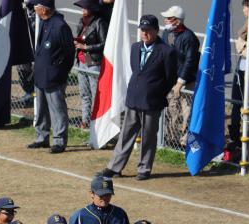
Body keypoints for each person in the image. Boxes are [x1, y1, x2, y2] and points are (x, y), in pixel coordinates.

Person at [101, 15, 177, 181]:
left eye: (148, 30)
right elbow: (135, 70)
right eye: (142, 30)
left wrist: (155, 92)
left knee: (148, 137)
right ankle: (115, 167)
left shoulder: (166, 52)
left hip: (152, 101)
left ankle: (144, 168)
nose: (144, 33)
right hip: (133, 98)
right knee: (126, 134)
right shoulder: (135, 48)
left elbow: (170, 78)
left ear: (156, 30)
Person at [27, 0, 75, 153]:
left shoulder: (60, 26)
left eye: (36, 6)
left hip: (54, 77)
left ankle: (59, 140)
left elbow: (69, 54)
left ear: (44, 9)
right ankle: (42, 137)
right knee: (41, 109)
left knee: (57, 110)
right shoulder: (44, 22)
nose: (34, 9)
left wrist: (60, 72)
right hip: (41, 75)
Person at [160, 5, 200, 148]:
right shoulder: (166, 33)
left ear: (177, 21)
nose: (165, 20)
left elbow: (190, 61)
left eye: (169, 18)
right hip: (170, 80)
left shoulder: (189, 37)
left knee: (187, 110)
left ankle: (186, 141)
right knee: (171, 109)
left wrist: (180, 81)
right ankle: (171, 138)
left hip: (186, 81)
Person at [228, 0, 249, 162]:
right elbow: (241, 41)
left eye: (245, 7)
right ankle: (234, 136)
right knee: (235, 103)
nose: (243, 10)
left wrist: (243, 46)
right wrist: (244, 45)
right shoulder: (248, 25)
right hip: (240, 69)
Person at [74, 0, 108, 129]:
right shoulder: (81, 21)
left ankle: (96, 120)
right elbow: (80, 37)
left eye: (85, 7)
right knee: (84, 92)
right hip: (81, 60)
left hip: (92, 61)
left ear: (92, 9)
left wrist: (86, 47)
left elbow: (104, 43)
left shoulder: (99, 22)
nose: (82, 9)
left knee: (95, 92)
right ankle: (85, 120)